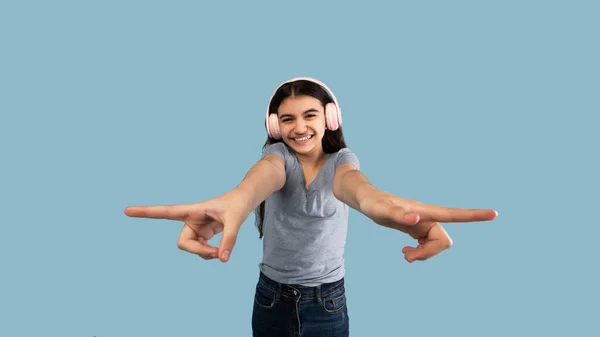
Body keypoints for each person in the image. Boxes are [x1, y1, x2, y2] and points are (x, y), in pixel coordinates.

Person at [124, 77, 498, 337]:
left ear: (329, 119)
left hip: (327, 303)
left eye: (310, 115)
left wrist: (380, 205)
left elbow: (355, 187)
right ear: (275, 125)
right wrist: (238, 199)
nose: (299, 127)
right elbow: (262, 177)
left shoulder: (341, 162)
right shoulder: (277, 157)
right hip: (270, 297)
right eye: (287, 119)